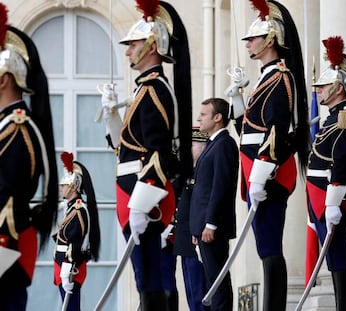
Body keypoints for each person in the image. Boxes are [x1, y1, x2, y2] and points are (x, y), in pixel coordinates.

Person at [98, 0, 192, 309]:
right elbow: (122, 146)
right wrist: (111, 114)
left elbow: (158, 151)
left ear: (151, 46)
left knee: (150, 281)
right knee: (144, 279)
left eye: (133, 44)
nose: (127, 51)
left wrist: (142, 202)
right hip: (132, 190)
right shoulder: (143, 90)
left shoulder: (154, 89)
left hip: (142, 194)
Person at [228, 1, 309, 310]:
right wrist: (236, 97)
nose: (248, 43)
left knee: (270, 245)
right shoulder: (265, 78)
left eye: (253, 38)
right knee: (264, 245)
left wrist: (261, 171)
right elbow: (247, 130)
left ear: (270, 40)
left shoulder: (280, 77)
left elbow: (276, 129)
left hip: (268, 173)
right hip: (257, 168)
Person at [306, 36, 346, 311]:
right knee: (333, 261)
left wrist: (332, 203)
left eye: (322, 87)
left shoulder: (345, 119)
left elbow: (343, 161)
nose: (318, 92)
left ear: (337, 88)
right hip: (323, 199)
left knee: (340, 260)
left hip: (333, 200)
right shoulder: (330, 120)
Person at [0, 3, 58, 310]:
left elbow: (7, 198)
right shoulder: (9, 126)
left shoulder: (18, 128)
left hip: (6, 245)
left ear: (4, 79)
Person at [190, 98, 239, 311]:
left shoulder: (224, 144)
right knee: (211, 282)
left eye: (203, 114)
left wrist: (210, 223)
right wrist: (197, 226)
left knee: (218, 284)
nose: (199, 118)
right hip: (204, 227)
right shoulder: (213, 144)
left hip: (213, 227)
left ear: (218, 118)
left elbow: (221, 186)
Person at [53, 152, 101, 311]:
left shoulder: (79, 210)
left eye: (64, 185)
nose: (61, 188)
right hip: (63, 267)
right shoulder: (71, 209)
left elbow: (75, 242)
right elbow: (62, 239)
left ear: (73, 186)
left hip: (70, 268)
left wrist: (66, 271)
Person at [173, 127, 209, 311]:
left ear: (202, 147)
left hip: (197, 237)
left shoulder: (202, 172)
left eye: (192, 145)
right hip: (184, 239)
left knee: (200, 291)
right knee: (191, 291)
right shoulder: (186, 173)